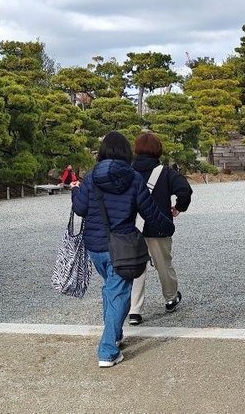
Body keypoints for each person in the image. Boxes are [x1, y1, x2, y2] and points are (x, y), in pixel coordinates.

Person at [72, 131, 174, 368]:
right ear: (127, 152)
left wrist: (76, 191)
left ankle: (116, 334)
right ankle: (108, 351)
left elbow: (80, 209)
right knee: (118, 293)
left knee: (111, 289)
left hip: (95, 246)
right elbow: (149, 212)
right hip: (123, 247)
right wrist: (168, 226)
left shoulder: (91, 177)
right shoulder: (134, 178)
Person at [128, 132, 193, 326]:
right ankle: (171, 298)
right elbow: (185, 190)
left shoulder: (128, 171)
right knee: (164, 265)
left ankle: (134, 310)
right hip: (158, 225)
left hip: (133, 227)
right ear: (158, 150)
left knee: (136, 267)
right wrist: (179, 207)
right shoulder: (165, 172)